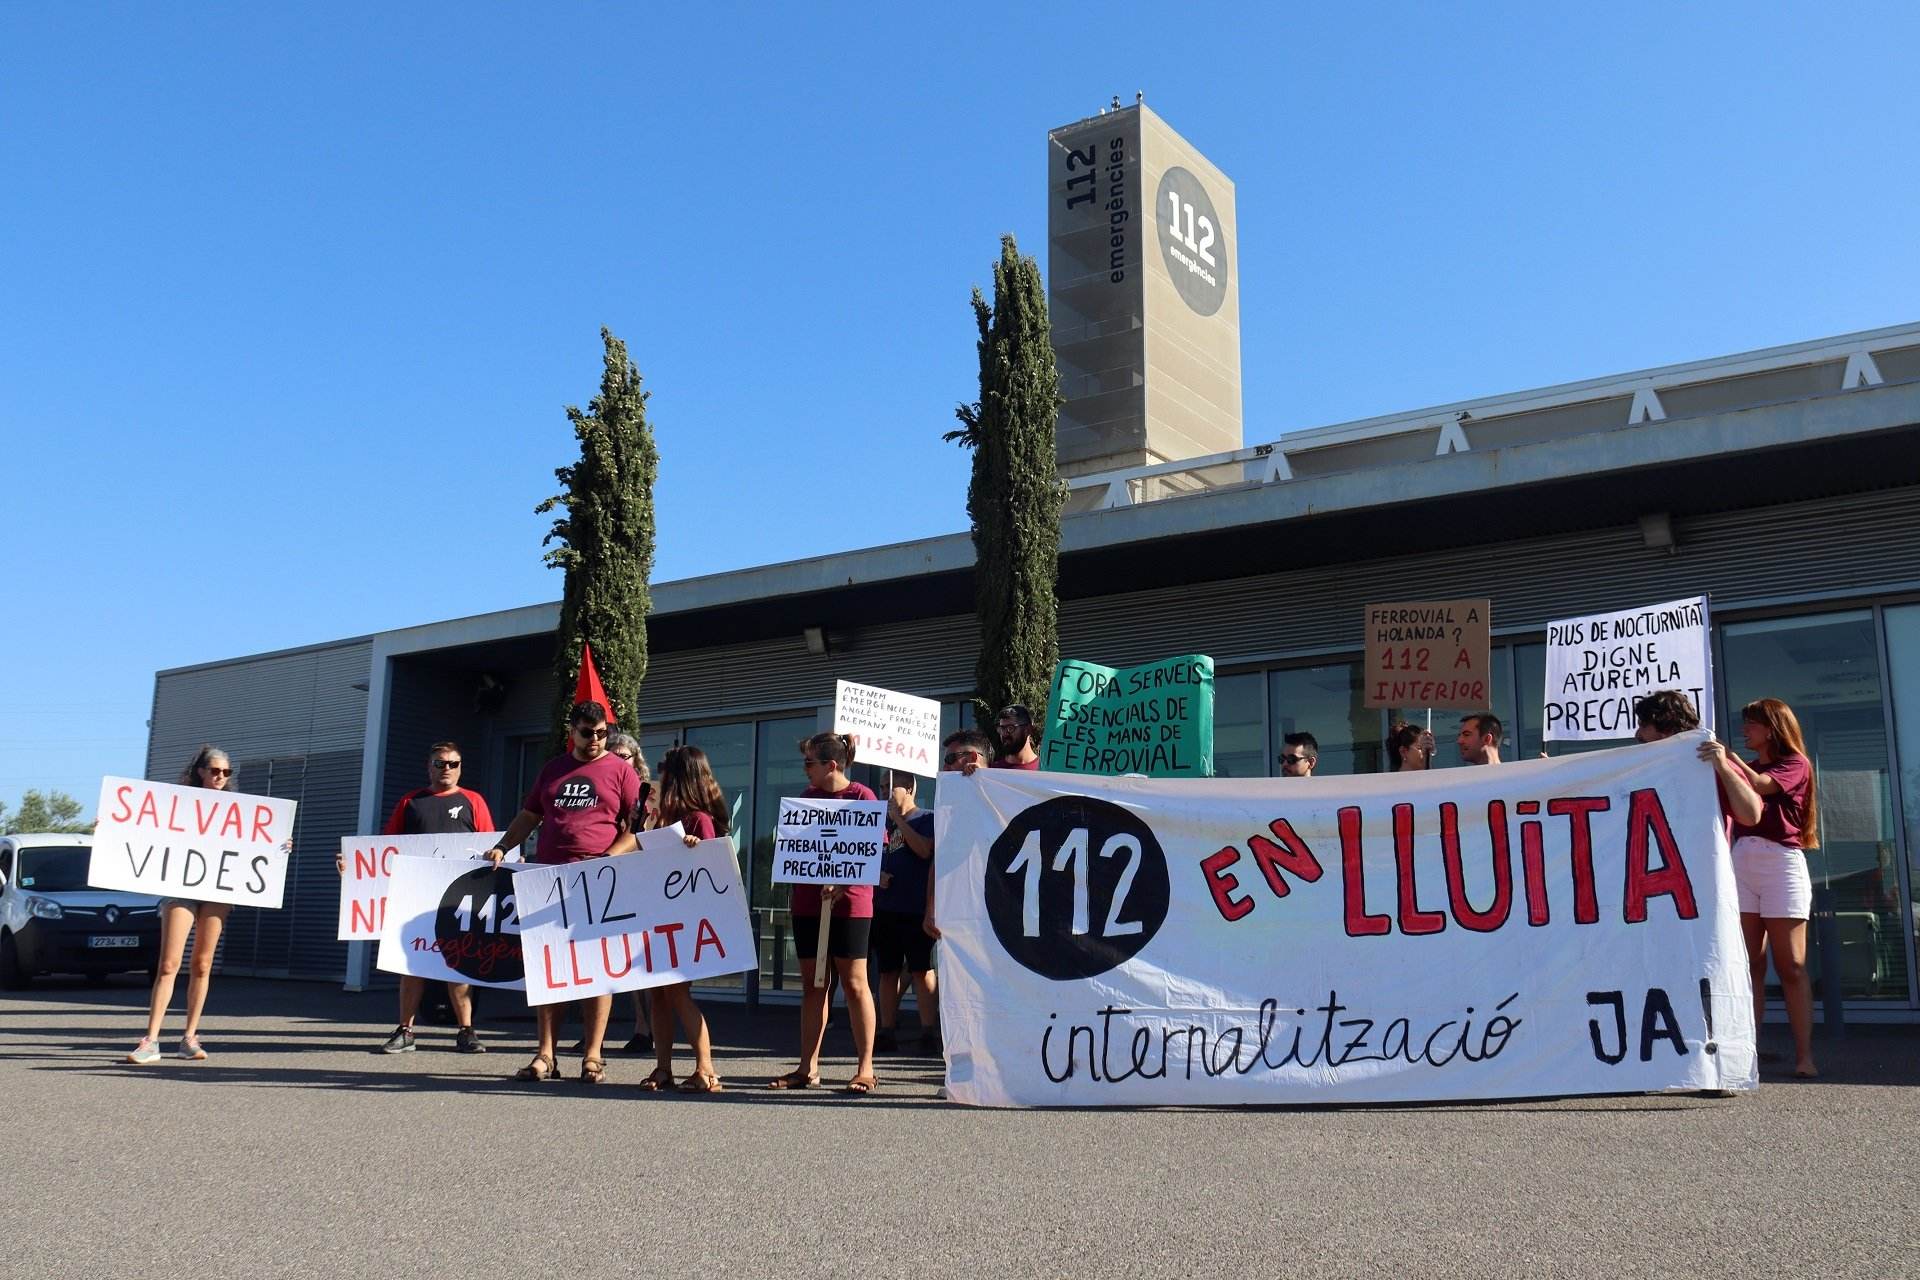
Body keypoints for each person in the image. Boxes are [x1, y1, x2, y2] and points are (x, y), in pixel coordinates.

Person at [483, 701, 639, 1084]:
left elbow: (638, 826)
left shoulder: (620, 771)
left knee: (596, 970)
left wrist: (607, 856)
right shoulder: (553, 770)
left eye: (603, 733)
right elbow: (529, 815)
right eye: (588, 733)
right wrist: (504, 845)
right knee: (548, 969)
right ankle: (545, 1055)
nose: (596, 740)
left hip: (598, 879)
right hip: (548, 878)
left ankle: (592, 1055)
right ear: (573, 731)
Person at [338, 741, 496, 1055]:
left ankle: (466, 1031)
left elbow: (491, 846)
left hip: (456, 899)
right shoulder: (411, 802)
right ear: (429, 767)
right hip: (416, 896)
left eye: (453, 763)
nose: (446, 769)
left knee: (458, 964)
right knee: (411, 964)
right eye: (440, 763)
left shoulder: (473, 801)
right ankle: (406, 1030)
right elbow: (383, 850)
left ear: (460, 767)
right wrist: (354, 868)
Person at [1706, 697, 1822, 1079]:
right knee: (1750, 963)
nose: (1745, 731)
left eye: (1751, 724)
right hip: (1743, 860)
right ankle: (1748, 1050)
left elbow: (1761, 787)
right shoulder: (1748, 766)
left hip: (1782, 863)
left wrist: (1727, 760)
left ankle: (1804, 1055)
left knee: (1791, 965)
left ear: (1771, 728)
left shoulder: (1794, 764)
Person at [769, 732, 879, 1094]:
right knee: (814, 984)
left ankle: (865, 1068)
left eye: (809, 763)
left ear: (832, 765)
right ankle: (807, 1067)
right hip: (808, 905)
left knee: (855, 983)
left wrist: (843, 884)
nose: (805, 770)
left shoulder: (861, 796)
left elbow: (870, 854)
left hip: (851, 906)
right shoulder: (806, 799)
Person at [126, 747, 248, 1063]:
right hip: (181, 886)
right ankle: (150, 1041)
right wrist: (111, 829)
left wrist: (279, 845)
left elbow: (251, 844)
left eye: (227, 772)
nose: (221, 777)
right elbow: (144, 831)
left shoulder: (239, 810)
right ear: (201, 772)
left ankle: (189, 1038)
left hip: (218, 890)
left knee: (203, 964)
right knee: (168, 964)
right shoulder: (177, 805)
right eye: (216, 771)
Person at [637, 745, 728, 1092]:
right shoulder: (665, 819)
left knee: (676, 993)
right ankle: (663, 1068)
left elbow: (711, 873)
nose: (660, 779)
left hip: (687, 923)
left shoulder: (698, 820)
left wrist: (695, 847)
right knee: (659, 994)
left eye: (665, 772)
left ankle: (705, 1068)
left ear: (679, 779)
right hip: (663, 919)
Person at [872, 770, 937, 1053]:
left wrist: (899, 819)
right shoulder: (878, 824)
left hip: (916, 907)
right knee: (887, 971)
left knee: (922, 970)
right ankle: (886, 1029)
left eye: (891, 787)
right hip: (887, 908)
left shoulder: (927, 818)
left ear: (908, 788)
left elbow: (925, 850)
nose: (886, 792)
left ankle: (927, 1031)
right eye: (882, 786)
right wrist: (878, 875)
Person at [602, 731, 654, 1057]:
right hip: (609, 880)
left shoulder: (647, 794)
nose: (619, 761)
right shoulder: (600, 788)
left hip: (642, 880)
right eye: (614, 755)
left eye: (625, 756)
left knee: (639, 960)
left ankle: (644, 1029)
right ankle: (597, 1032)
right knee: (605, 957)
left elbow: (646, 835)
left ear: (636, 761)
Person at [920, 728, 995, 943]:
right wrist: (931, 907)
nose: (945, 767)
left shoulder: (1005, 792)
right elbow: (943, 858)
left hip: (999, 910)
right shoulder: (951, 807)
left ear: (973, 758)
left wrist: (985, 782)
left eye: (951, 759)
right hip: (958, 913)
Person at [991, 704, 1041, 770]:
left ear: (1028, 730)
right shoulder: (992, 770)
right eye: (1002, 728)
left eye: (1010, 728)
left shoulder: (1044, 770)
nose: (1004, 734)